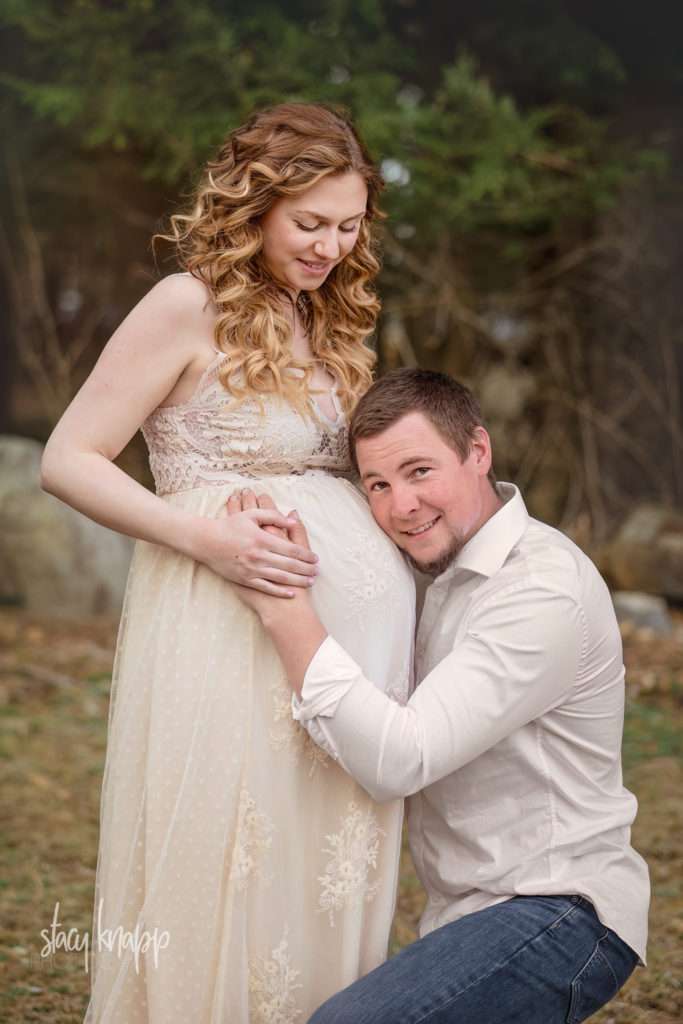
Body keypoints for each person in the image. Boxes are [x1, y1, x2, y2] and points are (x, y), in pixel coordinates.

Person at [40, 104, 415, 1023]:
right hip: (221, 619)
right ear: (253, 207)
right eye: (310, 223)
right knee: (228, 856)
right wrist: (208, 538)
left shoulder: (328, 319)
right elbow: (68, 459)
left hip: (331, 654)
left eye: (349, 224)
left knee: (309, 863)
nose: (331, 245)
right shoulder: (184, 304)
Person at [232, 368, 650, 1024]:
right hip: (465, 914)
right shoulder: (423, 571)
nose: (401, 505)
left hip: (562, 909)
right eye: (378, 484)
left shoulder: (539, 590)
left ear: (477, 452)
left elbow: (401, 758)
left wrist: (286, 610)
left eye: (419, 471)